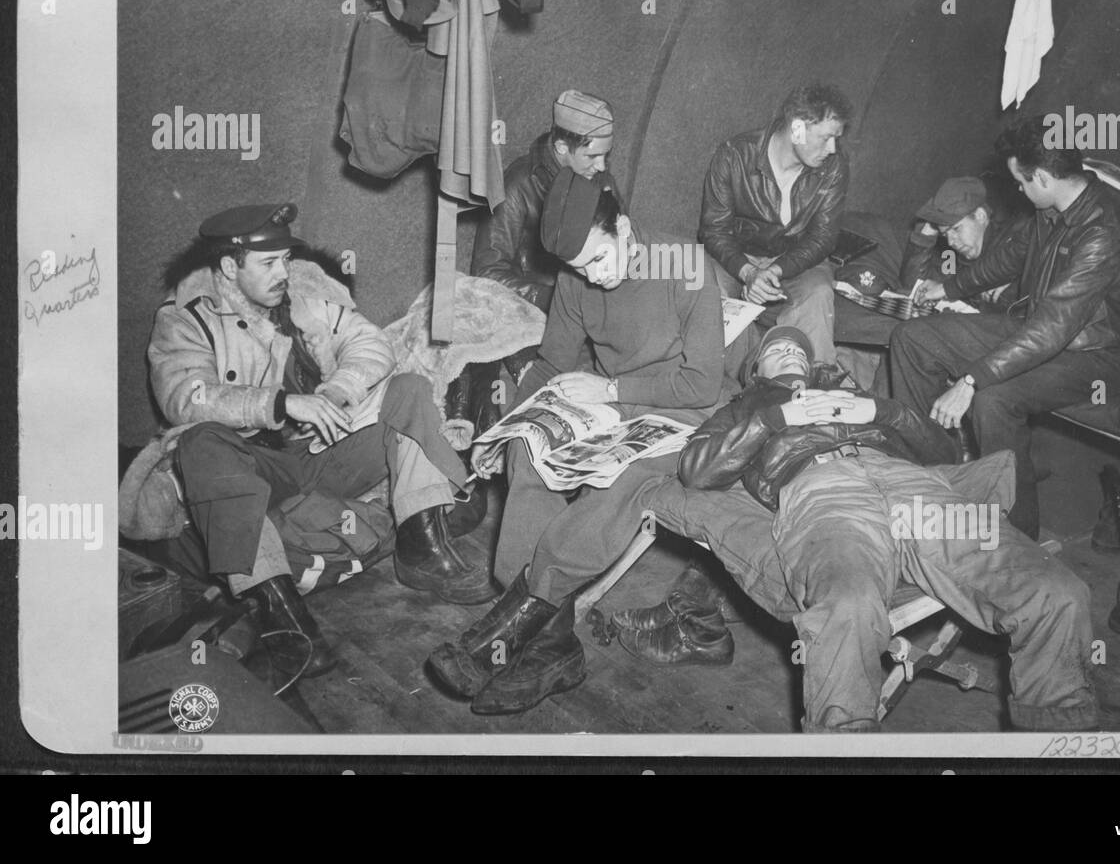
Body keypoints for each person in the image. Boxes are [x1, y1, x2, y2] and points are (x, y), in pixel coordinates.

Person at [639, 325, 1099, 733]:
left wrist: (880, 412)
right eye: (778, 349)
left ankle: (1054, 744)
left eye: (800, 350)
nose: (792, 353)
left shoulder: (855, 394)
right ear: (754, 368)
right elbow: (695, 470)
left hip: (915, 487)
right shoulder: (744, 407)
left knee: (1056, 592)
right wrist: (779, 418)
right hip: (822, 492)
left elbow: (943, 450)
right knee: (847, 607)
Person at [427, 170, 732, 714]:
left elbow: (702, 383)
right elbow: (551, 363)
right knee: (529, 450)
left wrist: (613, 389)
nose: (593, 275)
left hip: (689, 414)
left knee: (626, 480)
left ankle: (502, 636)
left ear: (624, 227)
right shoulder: (578, 278)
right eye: (579, 267)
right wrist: (506, 426)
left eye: (599, 258)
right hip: (613, 406)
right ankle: (552, 646)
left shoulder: (685, 268)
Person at [149, 203, 498, 679]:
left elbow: (374, 346)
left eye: (286, 260)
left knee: (409, 390)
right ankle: (288, 624)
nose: (284, 273)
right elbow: (184, 398)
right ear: (229, 268)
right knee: (199, 444)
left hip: (319, 454)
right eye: (268, 263)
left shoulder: (303, 299)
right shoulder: (185, 319)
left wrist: (336, 390)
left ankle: (422, 547)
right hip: (251, 468)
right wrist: (279, 405)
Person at [888, 118, 1120, 539]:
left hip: (1092, 357)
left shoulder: (1103, 234)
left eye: (1021, 182)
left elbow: (1052, 328)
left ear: (1042, 176)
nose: (1019, 191)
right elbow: (1007, 260)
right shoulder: (1050, 209)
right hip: (1039, 333)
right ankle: (933, 477)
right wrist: (949, 285)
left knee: (993, 399)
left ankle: (1017, 534)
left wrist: (971, 379)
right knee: (912, 339)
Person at [446, 90, 618, 442]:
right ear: (561, 149)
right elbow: (487, 272)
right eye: (592, 155)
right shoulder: (517, 184)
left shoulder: (600, 180)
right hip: (535, 308)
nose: (601, 166)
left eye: (606, 156)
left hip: (589, 302)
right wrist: (556, 296)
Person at [699, 83, 852, 365]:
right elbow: (714, 231)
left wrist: (774, 270)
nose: (832, 149)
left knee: (818, 293)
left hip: (795, 260)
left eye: (837, 139)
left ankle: (810, 386)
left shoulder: (834, 167)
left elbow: (822, 239)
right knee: (706, 288)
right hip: (736, 257)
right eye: (826, 138)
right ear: (796, 129)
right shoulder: (734, 155)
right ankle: (719, 379)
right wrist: (747, 272)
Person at [900, 174, 1026, 308]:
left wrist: (1019, 279)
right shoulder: (955, 258)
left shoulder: (1014, 243)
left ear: (980, 216)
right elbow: (914, 287)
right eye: (944, 234)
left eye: (956, 229)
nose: (950, 241)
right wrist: (926, 234)